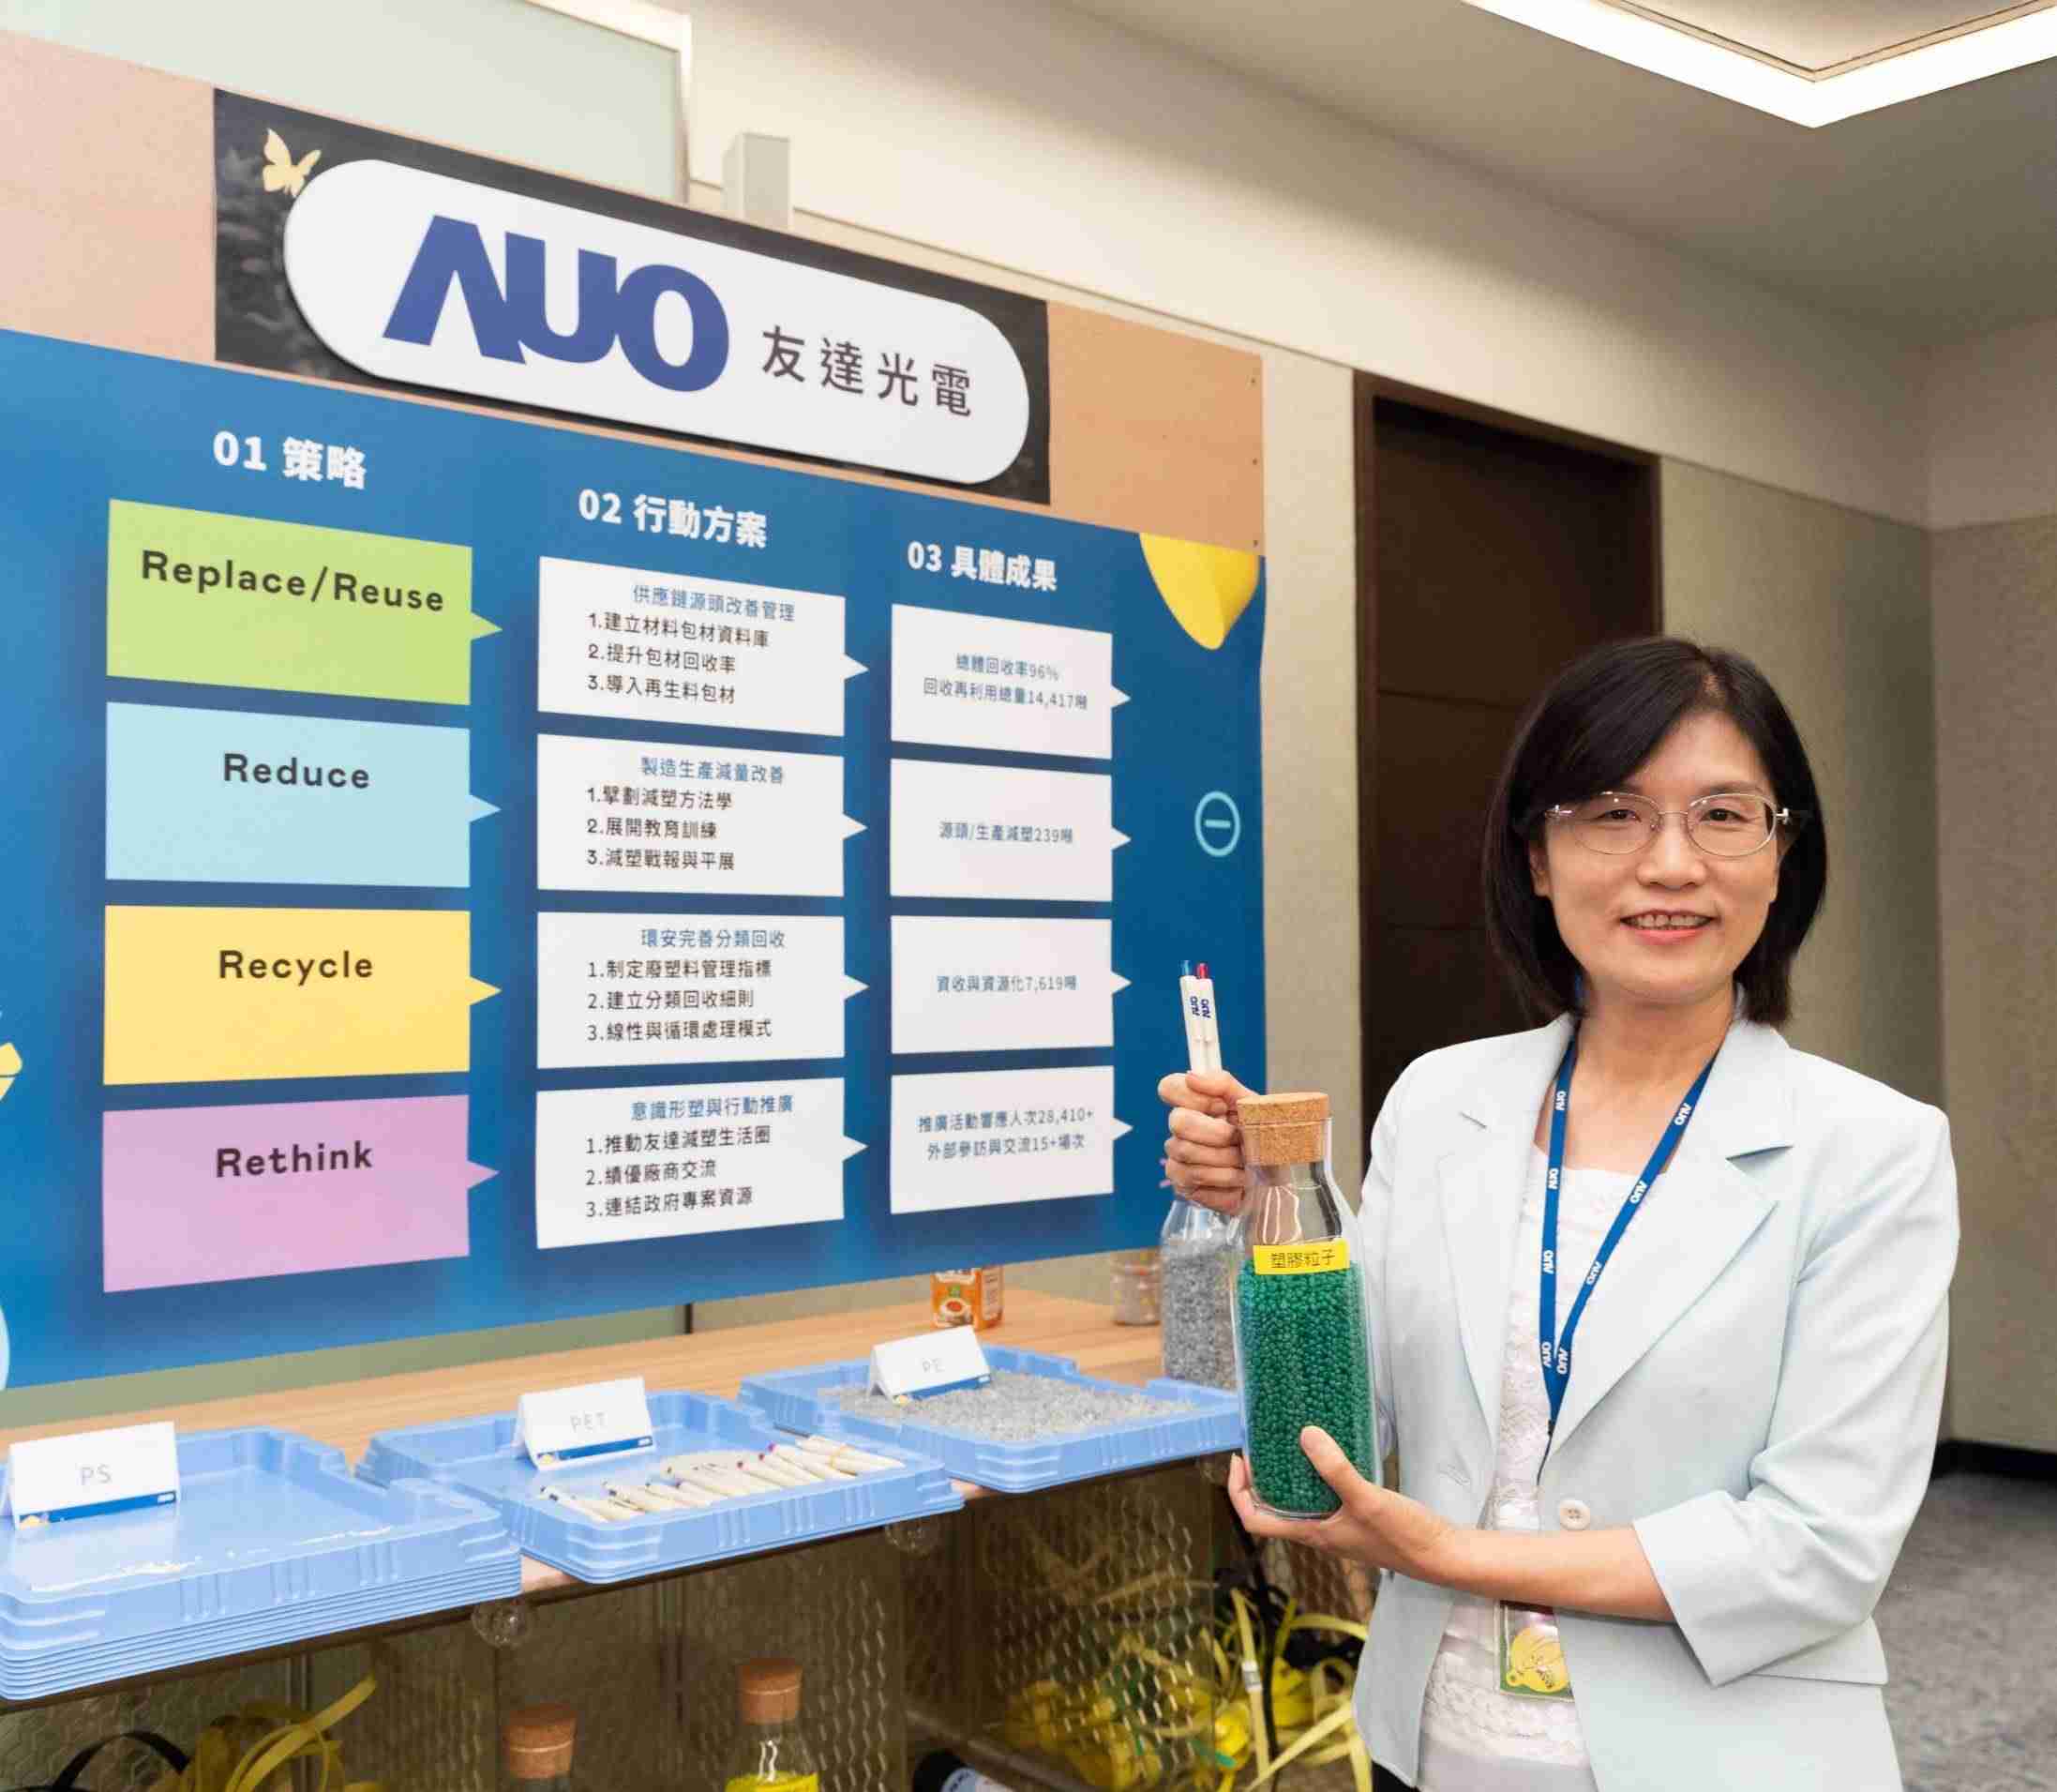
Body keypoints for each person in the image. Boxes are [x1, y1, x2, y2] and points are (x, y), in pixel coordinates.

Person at [1160, 639, 1957, 1791]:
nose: (1670, 864)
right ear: (1535, 856)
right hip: (1432, 1745)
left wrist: (1451, 1552)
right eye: (1614, 815)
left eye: (1722, 816)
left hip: (1726, 1762)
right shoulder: (1440, 1101)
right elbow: (1341, 1413)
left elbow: (1819, 1550)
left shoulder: (1872, 1149)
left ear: (1782, 856)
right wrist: (1267, 1211)